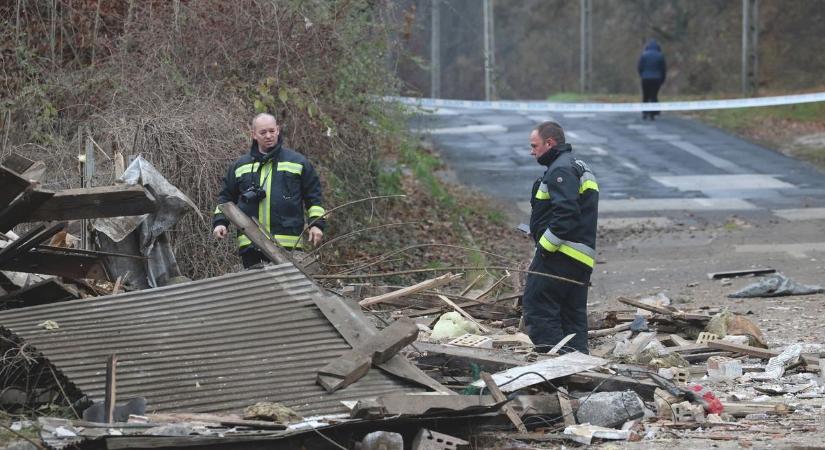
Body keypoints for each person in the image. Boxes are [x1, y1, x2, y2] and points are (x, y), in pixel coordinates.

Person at [523, 121, 598, 354]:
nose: (531, 151)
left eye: (534, 146)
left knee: (539, 307)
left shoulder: (561, 170)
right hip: (580, 258)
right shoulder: (577, 165)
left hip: (560, 256)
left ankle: (556, 369)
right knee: (571, 315)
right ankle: (580, 370)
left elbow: (566, 214)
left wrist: (544, 248)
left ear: (550, 143)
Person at [212, 113, 326, 268]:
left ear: (278, 130)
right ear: (253, 135)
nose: (269, 136)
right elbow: (225, 198)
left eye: (272, 131)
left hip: (288, 245)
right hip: (251, 245)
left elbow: (314, 198)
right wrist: (220, 223)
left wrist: (316, 224)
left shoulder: (298, 162)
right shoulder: (240, 166)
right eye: (263, 132)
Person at [637, 39, 667, 120]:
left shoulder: (643, 55)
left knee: (645, 95)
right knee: (654, 95)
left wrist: (642, 75)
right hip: (656, 79)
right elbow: (663, 69)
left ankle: (644, 112)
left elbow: (639, 67)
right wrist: (662, 79)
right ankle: (652, 114)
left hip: (645, 78)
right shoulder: (660, 56)